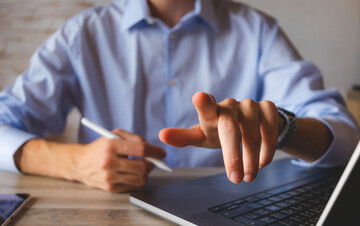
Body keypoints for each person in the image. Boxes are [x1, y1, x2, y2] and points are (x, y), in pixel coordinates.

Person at [0, 0, 359, 192]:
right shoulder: (82, 34)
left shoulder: (257, 30)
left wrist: (283, 128)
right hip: (108, 216)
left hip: (230, 214)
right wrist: (74, 162)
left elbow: (344, 138)